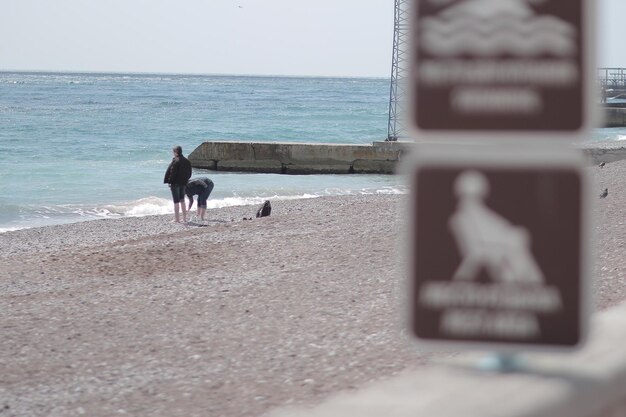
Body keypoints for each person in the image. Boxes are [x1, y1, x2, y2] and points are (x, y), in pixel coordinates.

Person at [163, 145, 192, 223]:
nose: (173, 153)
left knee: (176, 202)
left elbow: (173, 173)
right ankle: (185, 218)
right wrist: (186, 180)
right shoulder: (187, 161)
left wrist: (169, 181)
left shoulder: (176, 161)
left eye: (173, 152)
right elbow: (189, 173)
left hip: (175, 184)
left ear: (176, 152)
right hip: (184, 183)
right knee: (182, 200)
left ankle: (177, 219)